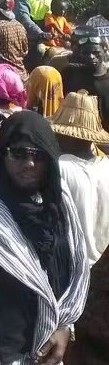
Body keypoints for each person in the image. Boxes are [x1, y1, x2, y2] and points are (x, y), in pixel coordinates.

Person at [0, 112, 90, 365]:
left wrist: (65, 327)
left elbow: (76, 265)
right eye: (19, 154)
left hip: (45, 347)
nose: (30, 164)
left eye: (39, 156)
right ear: (1, 154)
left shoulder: (57, 201)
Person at [51, 92, 109, 268]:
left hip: (69, 266)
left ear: (65, 135)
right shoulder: (106, 165)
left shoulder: (61, 167)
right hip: (100, 266)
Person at [61, 26, 109, 129]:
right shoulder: (70, 74)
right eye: (86, 53)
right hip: (78, 133)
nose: (91, 56)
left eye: (96, 52)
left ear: (104, 51)